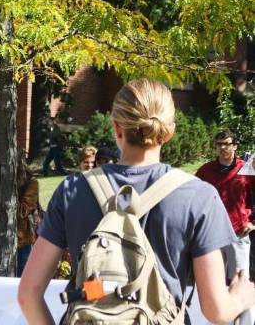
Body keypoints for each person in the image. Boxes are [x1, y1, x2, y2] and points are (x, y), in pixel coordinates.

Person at [18, 78, 255, 324]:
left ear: (116, 127)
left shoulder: (73, 190)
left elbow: (28, 295)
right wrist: (241, 297)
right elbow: (216, 310)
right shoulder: (199, 196)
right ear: (170, 131)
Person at [196, 131, 255, 280]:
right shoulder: (205, 171)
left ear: (235, 146)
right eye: (219, 144)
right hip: (212, 233)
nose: (223, 147)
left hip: (238, 232)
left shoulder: (246, 169)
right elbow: (194, 197)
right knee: (214, 281)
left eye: (227, 144)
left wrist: (253, 222)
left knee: (239, 280)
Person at [16, 158, 39, 277]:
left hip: (22, 236)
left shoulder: (31, 183)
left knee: (22, 276)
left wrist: (8, 194)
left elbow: (23, 211)